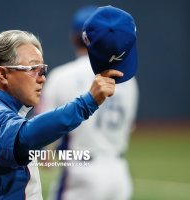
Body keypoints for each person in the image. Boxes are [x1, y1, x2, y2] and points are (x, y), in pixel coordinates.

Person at [0, 29, 123, 200]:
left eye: (42, 70)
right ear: (3, 74)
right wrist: (87, 103)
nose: (42, 77)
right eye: (32, 69)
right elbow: (23, 138)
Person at [40, 6, 139, 200]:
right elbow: (129, 127)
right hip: (119, 172)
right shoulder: (129, 79)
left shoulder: (62, 76)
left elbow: (46, 131)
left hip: (81, 170)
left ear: (74, 38)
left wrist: (45, 156)